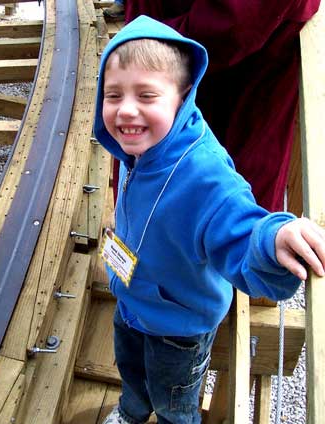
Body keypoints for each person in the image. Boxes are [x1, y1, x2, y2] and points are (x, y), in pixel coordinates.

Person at [94, 16, 325, 424]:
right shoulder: (138, 142)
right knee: (131, 369)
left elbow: (239, 224)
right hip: (132, 296)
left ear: (182, 98)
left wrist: (274, 237)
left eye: (146, 95)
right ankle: (131, 411)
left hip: (179, 325)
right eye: (113, 95)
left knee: (173, 398)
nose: (126, 110)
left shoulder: (204, 173)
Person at [115, 0, 321, 212]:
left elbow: (233, 26)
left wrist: (140, 46)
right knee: (144, 195)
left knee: (222, 212)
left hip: (231, 91)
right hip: (159, 65)